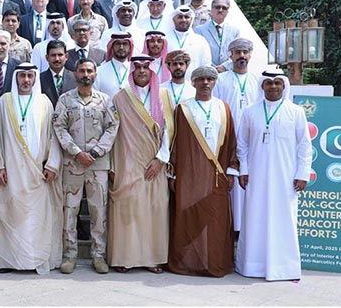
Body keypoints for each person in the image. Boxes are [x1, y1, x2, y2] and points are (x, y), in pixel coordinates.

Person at [236, 71, 311, 281]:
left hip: (286, 177)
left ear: (284, 86)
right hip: (256, 176)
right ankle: (252, 267)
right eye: (269, 83)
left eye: (277, 83)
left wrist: (303, 173)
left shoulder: (295, 112)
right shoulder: (250, 112)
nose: (273, 86)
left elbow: (305, 145)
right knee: (254, 218)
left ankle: (283, 268)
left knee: (284, 219)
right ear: (262, 86)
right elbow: (242, 144)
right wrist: (244, 170)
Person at [0, 63, 63, 274]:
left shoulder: (44, 102)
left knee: (36, 219)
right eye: (22, 75)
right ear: (16, 78)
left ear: (35, 78)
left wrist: (52, 164)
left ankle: (35, 260)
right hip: (11, 171)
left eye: (30, 76)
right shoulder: (4, 102)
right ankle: (9, 261)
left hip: (38, 172)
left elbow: (53, 136)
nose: (26, 80)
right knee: (10, 214)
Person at [168, 65, 239, 277]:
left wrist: (231, 169)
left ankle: (215, 262)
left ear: (215, 82)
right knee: (189, 217)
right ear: (193, 83)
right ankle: (189, 263)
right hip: (190, 174)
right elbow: (176, 143)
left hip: (217, 174)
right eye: (201, 79)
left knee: (216, 220)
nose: (205, 83)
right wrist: (173, 173)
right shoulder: (183, 108)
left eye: (209, 79)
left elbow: (231, 141)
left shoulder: (223, 108)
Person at [53, 58, 118, 274]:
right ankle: (69, 255)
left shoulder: (105, 100)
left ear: (95, 74)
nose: (86, 74)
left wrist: (96, 152)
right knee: (69, 210)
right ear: (75, 74)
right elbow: (59, 127)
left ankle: (98, 256)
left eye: (90, 71)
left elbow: (113, 127)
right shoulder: (65, 100)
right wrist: (76, 152)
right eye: (82, 71)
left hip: (98, 164)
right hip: (73, 164)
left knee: (98, 210)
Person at [108, 56, 170, 274]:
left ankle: (152, 258)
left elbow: (169, 131)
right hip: (127, 161)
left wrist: (161, 159)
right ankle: (125, 258)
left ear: (152, 71)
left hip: (154, 162)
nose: (142, 71)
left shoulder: (164, 96)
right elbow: (113, 133)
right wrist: (113, 165)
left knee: (154, 209)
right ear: (132, 71)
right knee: (128, 209)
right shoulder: (120, 98)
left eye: (146, 67)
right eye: (138, 67)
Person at [214, 38, 262, 235]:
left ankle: (248, 227)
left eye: (245, 52)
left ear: (250, 55)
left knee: (250, 180)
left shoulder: (258, 80)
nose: (241, 56)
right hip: (228, 137)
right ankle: (232, 228)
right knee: (231, 181)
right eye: (238, 52)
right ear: (231, 55)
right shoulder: (221, 80)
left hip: (252, 139)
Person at [193, 0, 241, 72]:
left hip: (228, 71)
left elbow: (237, 52)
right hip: (206, 72)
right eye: (217, 7)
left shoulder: (235, 31)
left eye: (224, 8)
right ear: (211, 10)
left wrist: (224, 66)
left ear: (227, 12)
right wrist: (212, 68)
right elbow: (198, 52)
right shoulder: (199, 30)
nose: (220, 10)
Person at [166, 5, 213, 79]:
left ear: (191, 19)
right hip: (169, 83)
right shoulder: (165, 40)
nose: (183, 20)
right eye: (180, 17)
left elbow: (206, 65)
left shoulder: (200, 41)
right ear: (174, 19)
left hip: (194, 83)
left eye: (186, 17)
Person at [39, 40, 77, 109]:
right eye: (53, 55)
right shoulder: (39, 79)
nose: (57, 59)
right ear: (47, 58)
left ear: (66, 56)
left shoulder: (75, 78)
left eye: (60, 55)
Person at [95, 32, 133, 98]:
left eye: (125, 44)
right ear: (111, 47)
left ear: (130, 48)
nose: (121, 47)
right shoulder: (99, 71)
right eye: (118, 44)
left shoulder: (135, 70)